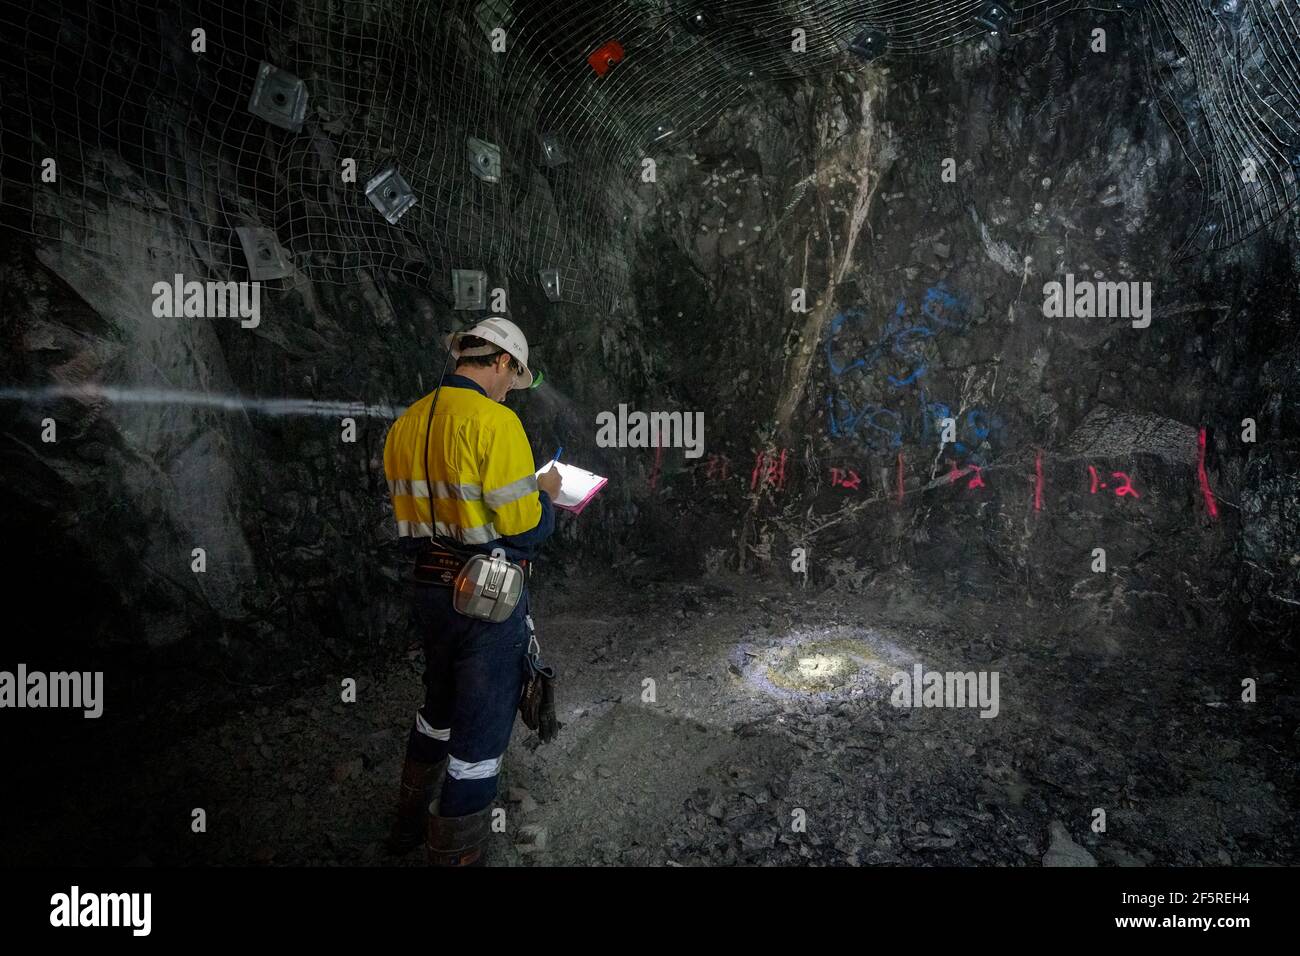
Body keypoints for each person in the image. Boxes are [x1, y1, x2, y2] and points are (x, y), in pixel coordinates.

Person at [381, 316, 561, 866]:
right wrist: (546, 494)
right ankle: (455, 855)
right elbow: (523, 526)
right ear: (502, 363)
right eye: (515, 375)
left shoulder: (407, 421)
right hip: (487, 595)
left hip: (430, 591)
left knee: (438, 705)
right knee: (480, 737)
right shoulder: (496, 422)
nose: (513, 388)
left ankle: (407, 826)